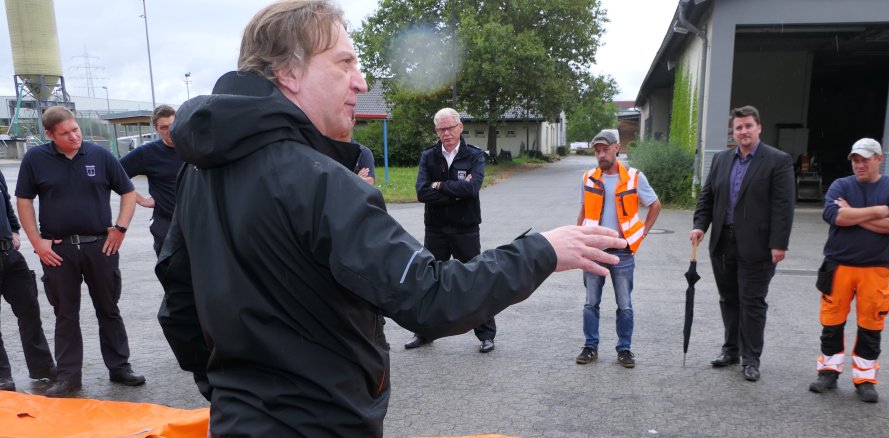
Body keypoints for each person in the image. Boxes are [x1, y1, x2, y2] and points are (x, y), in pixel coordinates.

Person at [155, 1, 624, 435]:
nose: (359, 81)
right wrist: (541, 250)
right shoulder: (319, 180)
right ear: (288, 72)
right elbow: (433, 299)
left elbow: (179, 311)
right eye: (344, 62)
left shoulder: (200, 174)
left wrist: (232, 394)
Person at [15, 106, 144, 398]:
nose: (74, 136)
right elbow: (24, 200)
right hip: (58, 251)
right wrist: (37, 242)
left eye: (76, 130)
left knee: (109, 309)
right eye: (65, 133)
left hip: (101, 246)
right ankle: (69, 377)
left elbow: (127, 191)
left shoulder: (100, 156)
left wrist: (120, 229)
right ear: (49, 135)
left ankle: (120, 368)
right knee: (65, 315)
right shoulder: (36, 159)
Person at [689, 105, 794, 382]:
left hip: (758, 245)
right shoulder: (722, 160)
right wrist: (700, 226)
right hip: (723, 241)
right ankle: (731, 349)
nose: (744, 131)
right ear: (733, 132)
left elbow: (783, 206)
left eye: (748, 126)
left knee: (752, 301)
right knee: (729, 299)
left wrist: (778, 244)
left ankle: (751, 358)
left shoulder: (777, 161)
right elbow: (707, 196)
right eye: (738, 127)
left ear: (758, 127)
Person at [807, 138, 889, 403]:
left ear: (879, 159)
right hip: (838, 264)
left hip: (875, 268)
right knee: (831, 322)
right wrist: (876, 211)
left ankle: (865, 379)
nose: (859, 164)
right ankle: (828, 372)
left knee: (871, 324)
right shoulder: (841, 185)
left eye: (865, 159)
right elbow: (836, 217)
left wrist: (853, 214)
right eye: (855, 159)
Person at [405, 107, 495, 353]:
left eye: (450, 128)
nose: (446, 133)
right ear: (436, 131)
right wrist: (453, 191)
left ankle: (487, 335)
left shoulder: (474, 156)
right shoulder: (429, 156)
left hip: (465, 230)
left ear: (460, 127)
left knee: (474, 279)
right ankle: (424, 332)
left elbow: (472, 189)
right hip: (436, 230)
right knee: (429, 281)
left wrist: (440, 187)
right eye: (441, 129)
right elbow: (422, 192)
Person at [575, 129, 661, 368]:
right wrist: (578, 240)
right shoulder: (588, 177)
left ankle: (624, 349)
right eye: (597, 151)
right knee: (591, 302)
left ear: (617, 148)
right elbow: (583, 212)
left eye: (605, 149)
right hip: (594, 249)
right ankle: (590, 346)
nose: (601, 154)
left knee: (624, 304)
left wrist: (642, 233)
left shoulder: (634, 177)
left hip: (622, 250)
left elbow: (655, 205)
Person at [0, 171, 57, 392]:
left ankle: (42, 367)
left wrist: (14, 229)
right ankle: (2, 375)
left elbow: (5, 202)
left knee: (30, 312)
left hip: (9, 256)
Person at [119, 105, 182, 256]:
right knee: (170, 274)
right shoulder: (147, 153)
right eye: (164, 127)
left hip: (197, 223)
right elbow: (115, 175)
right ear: (156, 129)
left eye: (173, 126)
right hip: (166, 224)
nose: (169, 131)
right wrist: (139, 199)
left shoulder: (194, 148)